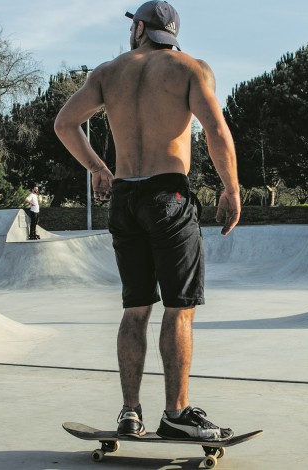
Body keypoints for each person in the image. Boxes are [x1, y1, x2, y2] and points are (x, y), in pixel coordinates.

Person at [53, 0, 240, 442]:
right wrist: (231, 189)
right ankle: (176, 412)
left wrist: (99, 167)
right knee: (179, 309)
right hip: (168, 195)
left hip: (125, 197)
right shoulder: (189, 68)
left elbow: (65, 124)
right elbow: (215, 129)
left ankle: (130, 412)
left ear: (139, 28)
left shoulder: (107, 72)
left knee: (135, 309)